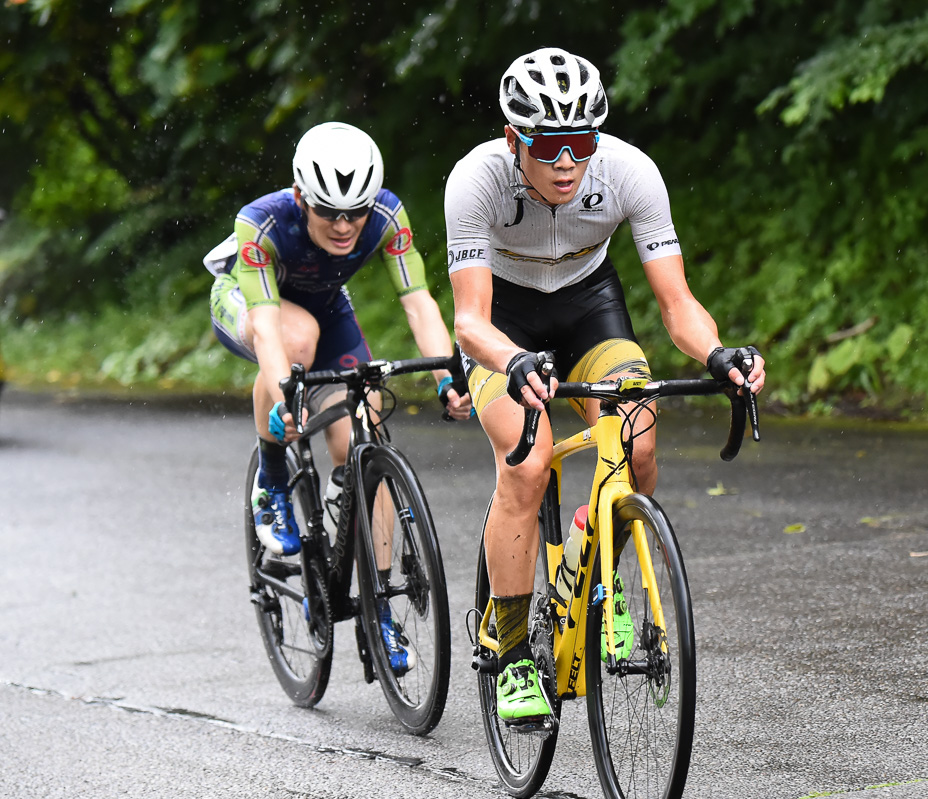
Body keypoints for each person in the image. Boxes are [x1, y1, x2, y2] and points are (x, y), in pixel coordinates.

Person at [445, 48, 766, 723]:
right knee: (527, 468)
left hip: (590, 307)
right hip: (503, 326)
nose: (568, 162)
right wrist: (513, 362)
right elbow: (469, 321)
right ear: (513, 139)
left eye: (581, 142)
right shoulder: (475, 182)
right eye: (550, 145)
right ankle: (508, 651)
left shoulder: (628, 172)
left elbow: (676, 303)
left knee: (638, 442)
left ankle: (599, 571)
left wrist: (717, 351)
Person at [206, 121, 471, 672]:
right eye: (330, 212)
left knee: (366, 418)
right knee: (295, 342)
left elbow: (418, 300)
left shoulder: (388, 216)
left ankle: (380, 612)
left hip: (326, 306)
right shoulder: (262, 223)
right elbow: (271, 326)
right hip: (251, 303)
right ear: (302, 197)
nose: (347, 225)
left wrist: (449, 376)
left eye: (358, 211)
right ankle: (272, 481)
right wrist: (285, 399)